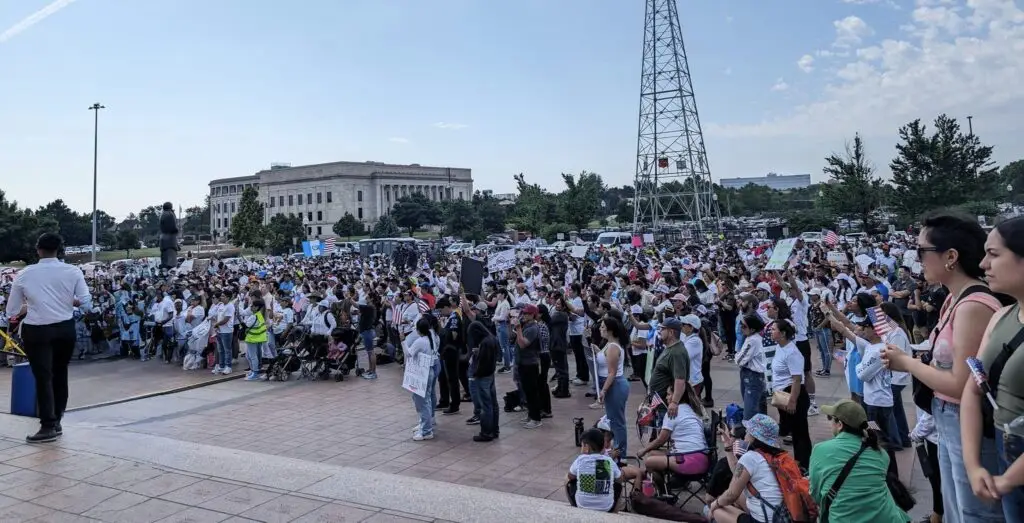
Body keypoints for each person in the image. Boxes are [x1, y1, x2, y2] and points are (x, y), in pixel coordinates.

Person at [5, 233, 92, 443]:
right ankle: (57, 420)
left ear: (38, 249)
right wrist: (69, 302)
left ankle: (47, 425)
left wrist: (29, 305)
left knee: (43, 377)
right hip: (65, 328)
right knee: (60, 374)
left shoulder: (25, 274)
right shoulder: (72, 271)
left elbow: (12, 311)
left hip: (37, 331)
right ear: (60, 250)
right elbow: (86, 302)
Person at [967, 215, 1024, 521]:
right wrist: (974, 466)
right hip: (1005, 457)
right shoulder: (1002, 317)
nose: (983, 265)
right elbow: (972, 391)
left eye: (994, 254)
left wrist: (1008, 479)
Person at [810, 400, 910, 523]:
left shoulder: (820, 450)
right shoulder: (881, 454)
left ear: (840, 424)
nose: (830, 422)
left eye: (831, 418)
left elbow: (815, 495)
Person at [567, 428, 623, 512]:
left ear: (586, 447)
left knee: (566, 479)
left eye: (582, 445)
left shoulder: (581, 459)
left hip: (582, 505)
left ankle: (574, 509)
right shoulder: (608, 461)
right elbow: (620, 479)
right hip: (606, 507)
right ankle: (615, 513)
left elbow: (570, 476)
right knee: (619, 485)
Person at [159, 202, 179, 270]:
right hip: (170, 240)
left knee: (164, 260)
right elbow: (173, 227)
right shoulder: (170, 214)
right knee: (171, 263)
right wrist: (177, 230)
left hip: (163, 239)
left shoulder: (162, 214)